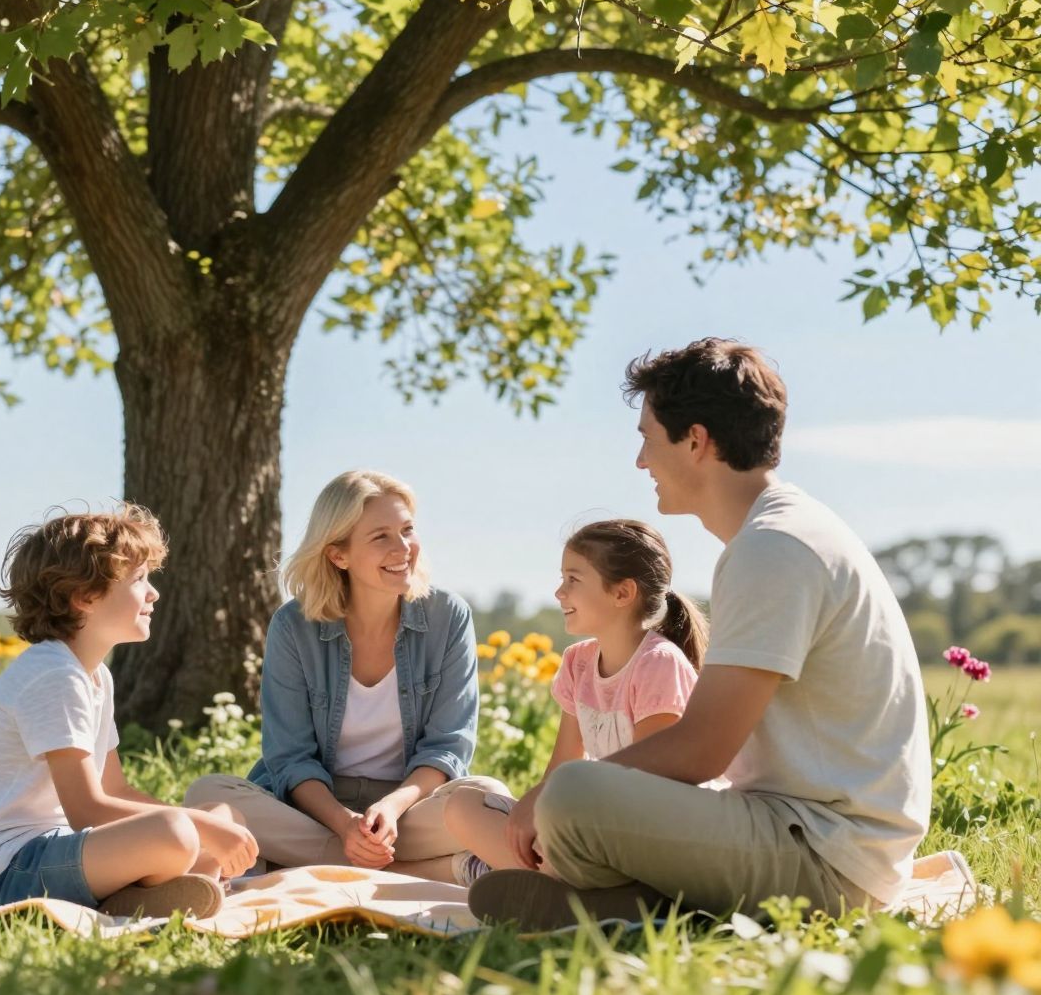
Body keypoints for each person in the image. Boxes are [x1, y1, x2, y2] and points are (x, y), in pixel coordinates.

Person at [469, 338, 932, 931]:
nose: (641, 461)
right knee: (564, 797)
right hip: (811, 836)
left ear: (695, 441)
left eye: (647, 438)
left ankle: (635, 908)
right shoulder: (779, 533)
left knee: (571, 796)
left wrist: (548, 795)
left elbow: (702, 747)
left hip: (828, 857)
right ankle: (651, 913)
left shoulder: (774, 547)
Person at [185, 470, 511, 884]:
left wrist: (391, 808)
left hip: (408, 810)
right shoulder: (294, 626)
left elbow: (447, 747)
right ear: (339, 555)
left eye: (407, 530)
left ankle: (286, 864)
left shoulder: (448, 616)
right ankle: (438, 870)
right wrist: (344, 825)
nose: (403, 548)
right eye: (381, 537)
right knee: (207, 794)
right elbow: (290, 757)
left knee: (490, 799)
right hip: (315, 810)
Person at [0, 506, 258, 917]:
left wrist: (205, 825)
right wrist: (198, 828)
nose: (154, 593)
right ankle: (162, 888)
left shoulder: (95, 676)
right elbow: (86, 809)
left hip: (54, 849)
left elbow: (115, 791)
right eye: (139, 580)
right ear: (85, 597)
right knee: (182, 831)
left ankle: (155, 892)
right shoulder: (54, 675)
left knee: (224, 814)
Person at [444, 519, 708, 882]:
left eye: (573, 579)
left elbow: (648, 786)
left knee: (554, 842)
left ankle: (525, 878)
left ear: (622, 593)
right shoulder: (578, 662)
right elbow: (560, 767)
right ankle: (544, 880)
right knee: (464, 804)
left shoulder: (658, 664)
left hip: (646, 832)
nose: (559, 592)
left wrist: (559, 821)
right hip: (592, 820)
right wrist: (535, 814)